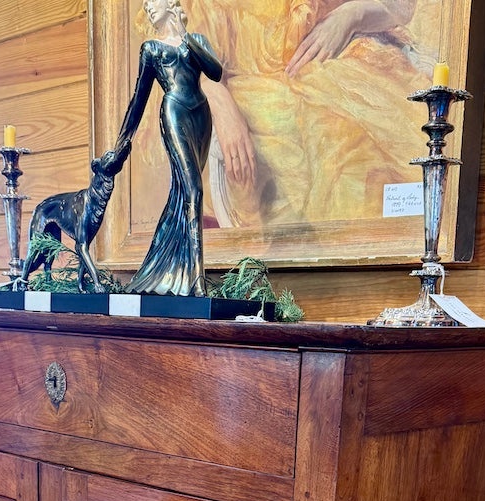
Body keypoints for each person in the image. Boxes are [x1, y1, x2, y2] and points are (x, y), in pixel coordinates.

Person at [179, 0, 431, 228]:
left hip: (341, 59)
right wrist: (219, 100)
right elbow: (182, 48)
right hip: (257, 92)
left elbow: (401, 7)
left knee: (367, 146)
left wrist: (351, 15)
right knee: (322, 147)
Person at [113, 0, 223, 296]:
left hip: (201, 113)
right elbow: (138, 101)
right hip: (174, 111)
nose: (148, 7)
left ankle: (174, 269)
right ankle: (198, 281)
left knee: (184, 194)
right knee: (194, 191)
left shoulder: (196, 40)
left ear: (171, 3)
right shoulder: (151, 49)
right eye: (145, 5)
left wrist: (185, 33)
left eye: (152, 1)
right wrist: (121, 145)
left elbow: (216, 72)